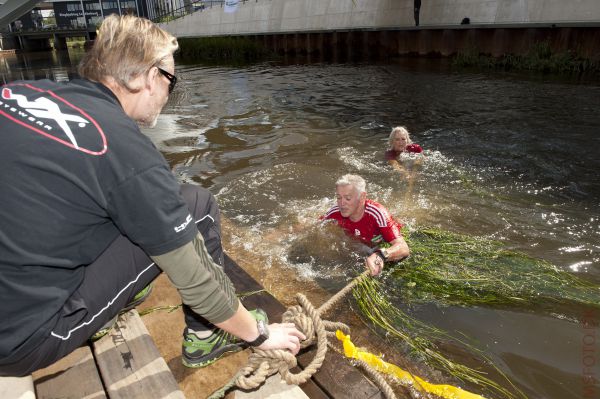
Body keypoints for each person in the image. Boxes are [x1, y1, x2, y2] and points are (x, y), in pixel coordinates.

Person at [0, 14, 304, 377]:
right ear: (148, 77)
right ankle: (207, 336)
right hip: (22, 338)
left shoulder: (21, 93)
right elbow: (196, 279)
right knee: (196, 206)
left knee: (132, 207)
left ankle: (124, 295)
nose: (168, 95)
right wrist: (259, 336)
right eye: (171, 83)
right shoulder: (128, 153)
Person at [321, 175, 410, 276]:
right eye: (338, 197)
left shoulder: (377, 214)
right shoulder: (335, 212)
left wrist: (380, 255)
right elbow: (312, 226)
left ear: (362, 197)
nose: (341, 203)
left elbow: (403, 248)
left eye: (348, 198)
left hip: (379, 241)